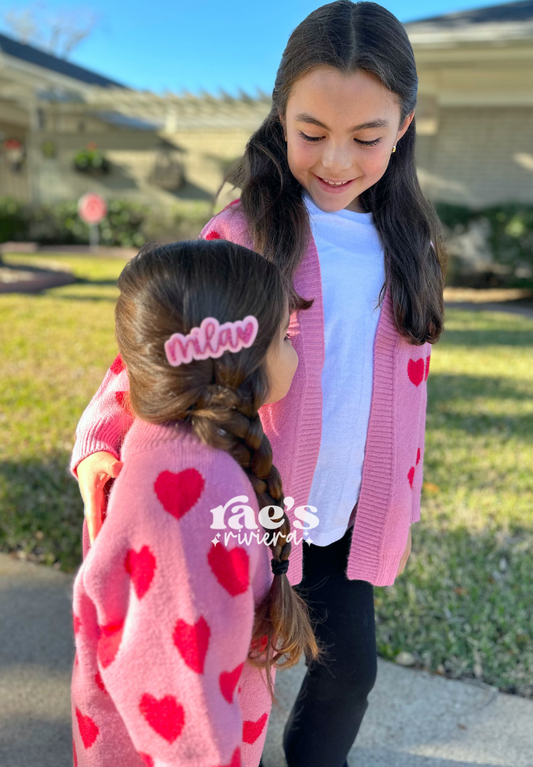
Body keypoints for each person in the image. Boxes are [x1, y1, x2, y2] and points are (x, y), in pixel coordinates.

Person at [71, 2, 448, 766]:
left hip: (340, 514)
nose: (335, 159)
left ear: (403, 124)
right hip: (248, 513)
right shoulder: (242, 234)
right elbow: (157, 346)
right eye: (311, 132)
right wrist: (101, 440)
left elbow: (405, 391)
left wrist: (399, 492)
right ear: (279, 116)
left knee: (350, 672)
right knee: (231, 675)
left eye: (366, 137)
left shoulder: (409, 246)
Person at [70, 240, 322, 767]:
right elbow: (182, 689)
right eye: (284, 338)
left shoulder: (167, 445)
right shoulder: (194, 491)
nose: (295, 354)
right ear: (239, 358)